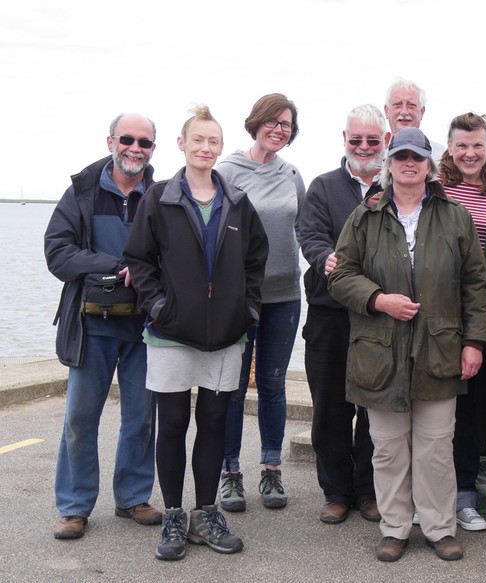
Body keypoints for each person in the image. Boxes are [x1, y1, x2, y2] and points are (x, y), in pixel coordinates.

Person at [327, 127, 486, 563]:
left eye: (417, 156)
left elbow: (476, 283)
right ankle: (395, 527)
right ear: (389, 164)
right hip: (379, 353)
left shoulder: (455, 216)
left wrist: (474, 341)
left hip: (440, 351)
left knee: (437, 447)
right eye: (400, 157)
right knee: (388, 446)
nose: (409, 164)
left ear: (430, 164)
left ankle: (439, 528)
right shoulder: (365, 216)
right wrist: (379, 300)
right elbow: (340, 276)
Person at [123, 105, 268, 561]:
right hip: (170, 334)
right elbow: (140, 260)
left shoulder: (238, 203)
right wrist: (159, 305)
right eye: (198, 140)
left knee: (212, 423)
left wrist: (245, 309)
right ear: (181, 144)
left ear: (220, 148)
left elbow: (255, 262)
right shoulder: (160, 198)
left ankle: (207, 513)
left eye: (214, 141)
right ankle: (173, 515)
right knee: (172, 425)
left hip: (225, 335)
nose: (206, 148)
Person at [45, 113, 161, 540]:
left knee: (142, 418)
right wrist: (116, 266)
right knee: (79, 417)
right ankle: (74, 507)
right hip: (91, 324)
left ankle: (133, 497)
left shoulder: (162, 195)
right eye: (127, 139)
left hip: (145, 327)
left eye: (144, 142)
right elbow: (58, 254)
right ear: (111, 140)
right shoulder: (81, 192)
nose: (135, 148)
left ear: (154, 148)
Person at [298, 104, 389, 525]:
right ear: (345, 139)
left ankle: (369, 491)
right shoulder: (322, 186)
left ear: (386, 141)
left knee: (374, 410)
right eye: (357, 139)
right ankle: (336, 491)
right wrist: (325, 258)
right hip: (329, 315)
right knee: (331, 411)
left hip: (377, 317)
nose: (365, 147)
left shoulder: (397, 185)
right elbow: (310, 234)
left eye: (373, 139)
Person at [215, 93, 305, 513]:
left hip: (285, 297)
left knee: (272, 385)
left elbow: (306, 231)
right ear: (256, 123)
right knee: (232, 388)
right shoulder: (229, 171)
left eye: (286, 124)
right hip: (240, 297)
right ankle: (230, 474)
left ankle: (271, 470)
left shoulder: (292, 175)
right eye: (272, 121)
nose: (278, 129)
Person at [438, 112, 486, 532]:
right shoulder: (436, 188)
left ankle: (466, 493)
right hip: (440, 312)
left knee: (474, 409)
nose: (469, 153)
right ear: (449, 146)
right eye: (462, 145)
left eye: (478, 145)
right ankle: (434, 493)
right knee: (438, 408)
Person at [384, 77, 446, 160]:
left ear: (422, 112)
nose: (404, 112)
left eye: (411, 106)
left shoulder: (440, 157)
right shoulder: (376, 157)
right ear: (386, 111)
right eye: (397, 105)